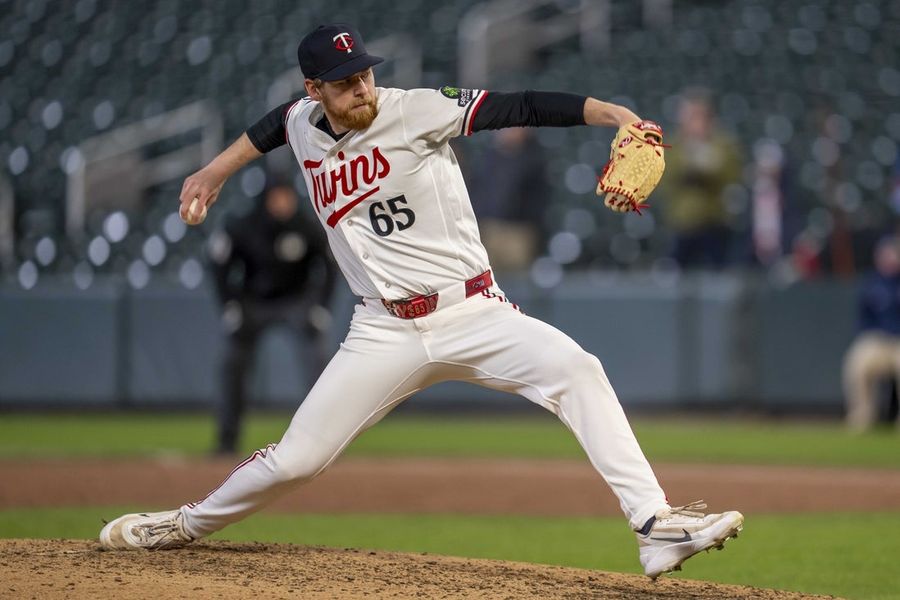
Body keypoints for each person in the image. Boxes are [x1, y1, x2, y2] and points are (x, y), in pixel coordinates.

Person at [99, 23, 743, 579]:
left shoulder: (415, 109)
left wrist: (615, 115)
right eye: (345, 81)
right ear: (313, 90)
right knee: (297, 460)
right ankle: (181, 526)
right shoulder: (302, 123)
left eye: (365, 74)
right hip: (381, 331)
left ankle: (653, 526)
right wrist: (216, 169)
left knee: (578, 368)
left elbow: (518, 106)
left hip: (473, 313)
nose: (362, 88)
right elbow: (271, 127)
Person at [208, 180, 337, 455]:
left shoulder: (306, 224)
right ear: (267, 199)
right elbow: (219, 264)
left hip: (297, 302)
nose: (282, 203)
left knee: (321, 365)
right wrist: (230, 305)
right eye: (277, 197)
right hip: (253, 301)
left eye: (286, 197)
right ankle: (226, 441)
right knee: (233, 365)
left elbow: (330, 264)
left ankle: (326, 442)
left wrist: (321, 307)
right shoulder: (245, 224)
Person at [658, 88, 742, 269]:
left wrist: (706, 162)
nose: (694, 122)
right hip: (682, 224)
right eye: (690, 116)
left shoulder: (722, 144)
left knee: (718, 275)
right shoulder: (672, 145)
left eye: (699, 116)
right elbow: (665, 176)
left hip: (714, 222)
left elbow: (730, 174)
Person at [469, 127, 547, 272]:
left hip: (518, 233)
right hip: (487, 230)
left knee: (515, 287)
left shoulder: (534, 158)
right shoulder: (488, 157)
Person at [843, 235, 900, 431]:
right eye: (885, 254)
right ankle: (862, 417)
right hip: (877, 340)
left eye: (893, 254)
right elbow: (863, 319)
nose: (890, 258)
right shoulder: (871, 283)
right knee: (857, 362)